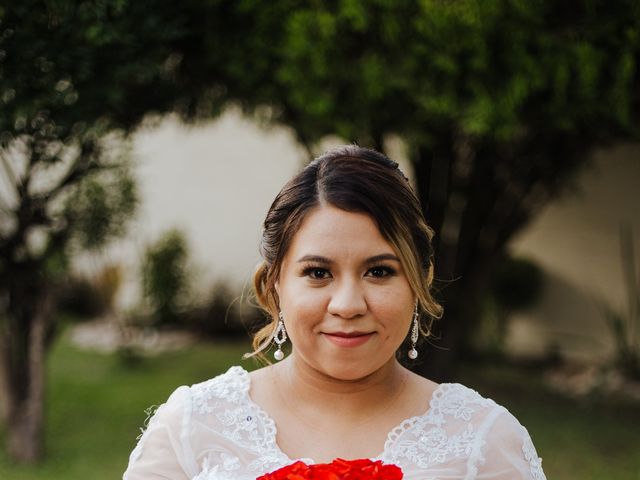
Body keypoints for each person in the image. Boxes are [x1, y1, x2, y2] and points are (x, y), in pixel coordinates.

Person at [123, 146, 547, 480]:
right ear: (274, 283)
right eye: (318, 272)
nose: (347, 305)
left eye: (379, 271)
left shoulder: (484, 442)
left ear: (420, 280)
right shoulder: (193, 427)